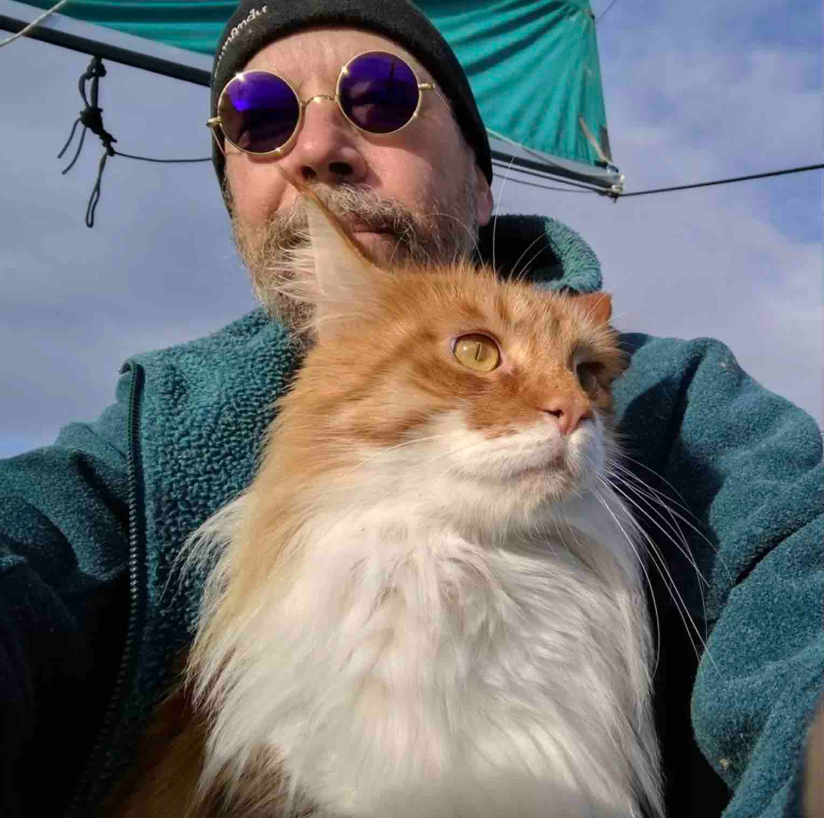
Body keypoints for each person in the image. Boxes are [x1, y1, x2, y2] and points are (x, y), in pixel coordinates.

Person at [1, 1, 821, 816]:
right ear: (232, 192)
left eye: (382, 96)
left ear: (481, 177)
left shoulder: (681, 400)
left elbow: (799, 571)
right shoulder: (144, 440)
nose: (318, 149)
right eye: (261, 117)